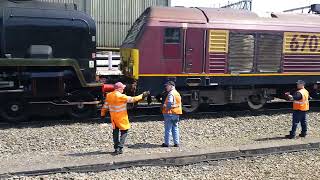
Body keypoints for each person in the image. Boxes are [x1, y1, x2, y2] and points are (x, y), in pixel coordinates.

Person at [101, 82, 150, 154]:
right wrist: (143, 95)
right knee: (124, 131)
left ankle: (116, 147)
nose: (123, 89)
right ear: (119, 89)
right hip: (121, 118)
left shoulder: (109, 95)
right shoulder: (121, 96)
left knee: (115, 132)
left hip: (114, 118)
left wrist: (103, 114)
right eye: (123, 88)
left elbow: (105, 106)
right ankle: (120, 148)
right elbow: (133, 99)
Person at [161, 81, 182, 147]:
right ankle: (176, 143)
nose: (166, 87)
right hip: (176, 113)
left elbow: (169, 103)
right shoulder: (177, 93)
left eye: (167, 86)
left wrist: (165, 107)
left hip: (169, 113)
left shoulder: (171, 94)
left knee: (168, 129)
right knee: (175, 128)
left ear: (171, 86)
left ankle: (166, 143)